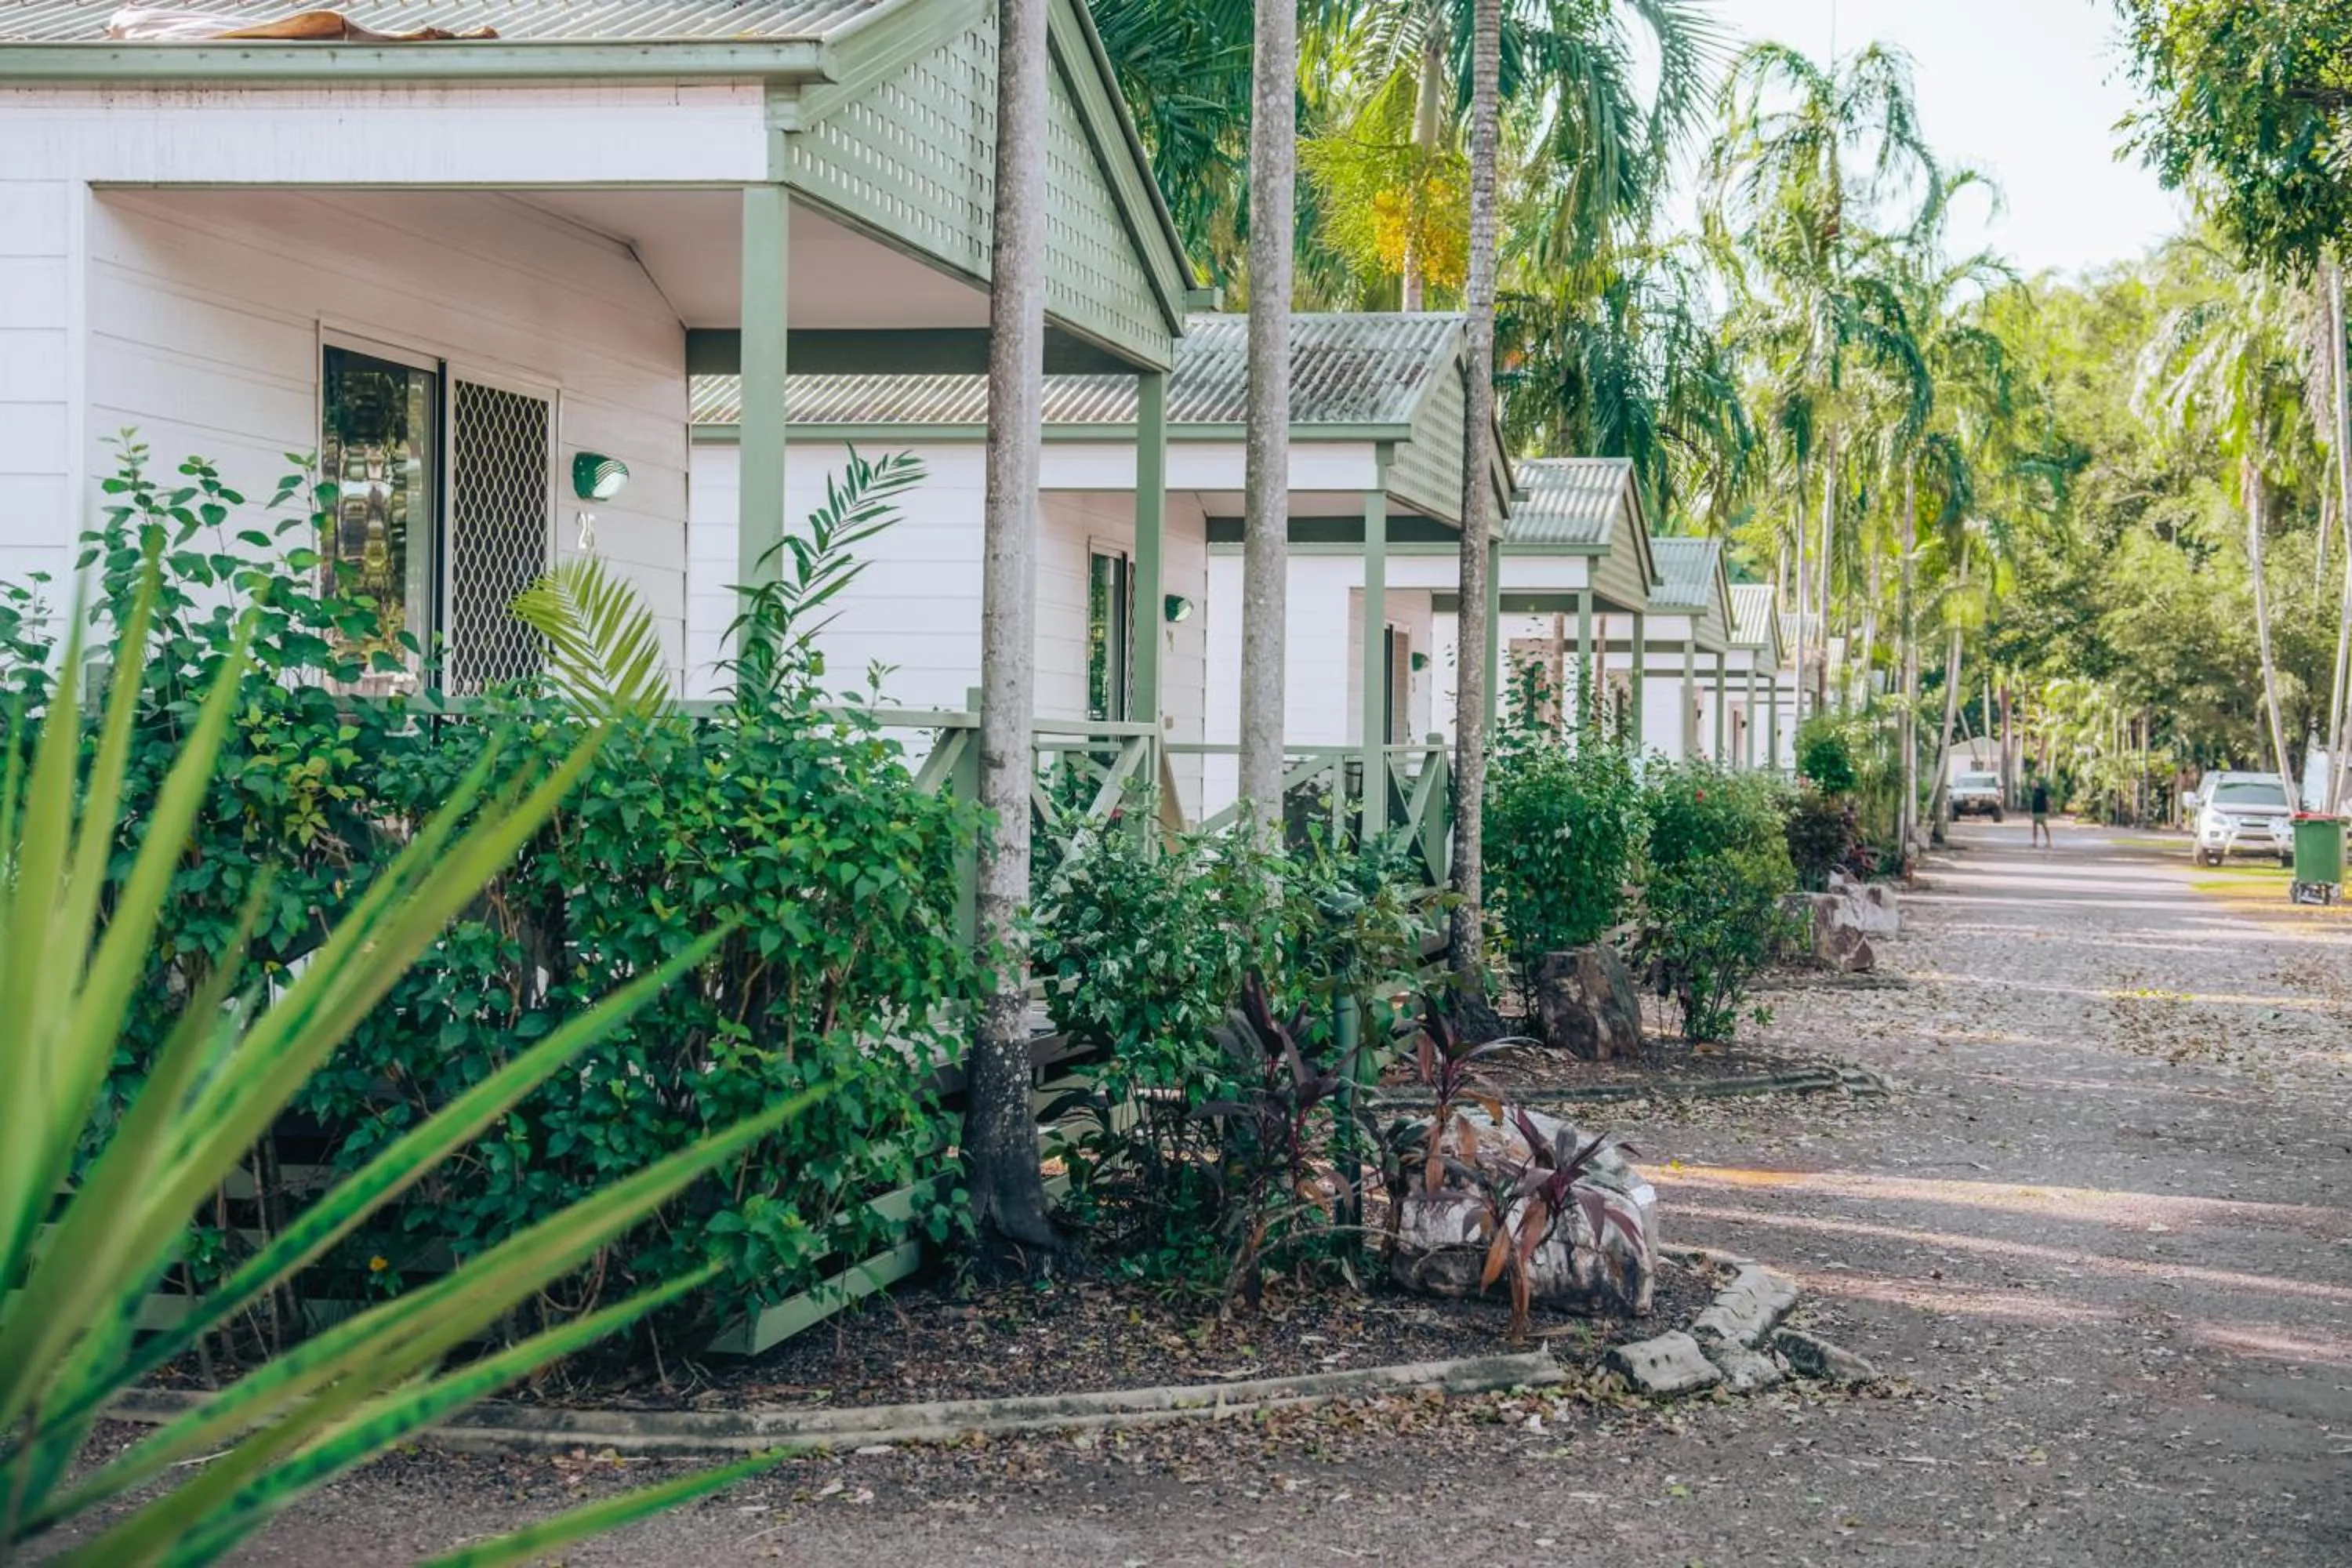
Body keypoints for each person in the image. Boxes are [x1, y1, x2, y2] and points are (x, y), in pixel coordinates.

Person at [2030, 776, 2053, 848]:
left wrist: (2049, 808)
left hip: (2042, 811)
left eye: (2034, 784)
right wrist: (2032, 811)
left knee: (2044, 826)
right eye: (2032, 784)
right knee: (2034, 827)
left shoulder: (2042, 791)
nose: (2033, 785)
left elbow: (2047, 799)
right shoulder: (2033, 792)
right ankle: (2035, 842)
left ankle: (2049, 842)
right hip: (2035, 812)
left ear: (2037, 784)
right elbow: (2034, 803)